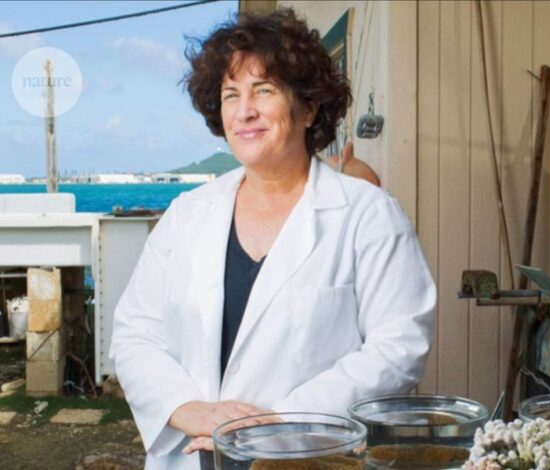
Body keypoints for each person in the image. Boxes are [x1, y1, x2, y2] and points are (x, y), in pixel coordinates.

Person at [110, 8, 436, 469]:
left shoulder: (368, 215)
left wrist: (282, 423)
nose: (245, 110)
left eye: (264, 90)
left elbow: (399, 346)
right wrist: (186, 408)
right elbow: (136, 332)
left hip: (308, 455)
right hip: (192, 455)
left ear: (308, 107)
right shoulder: (187, 215)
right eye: (231, 94)